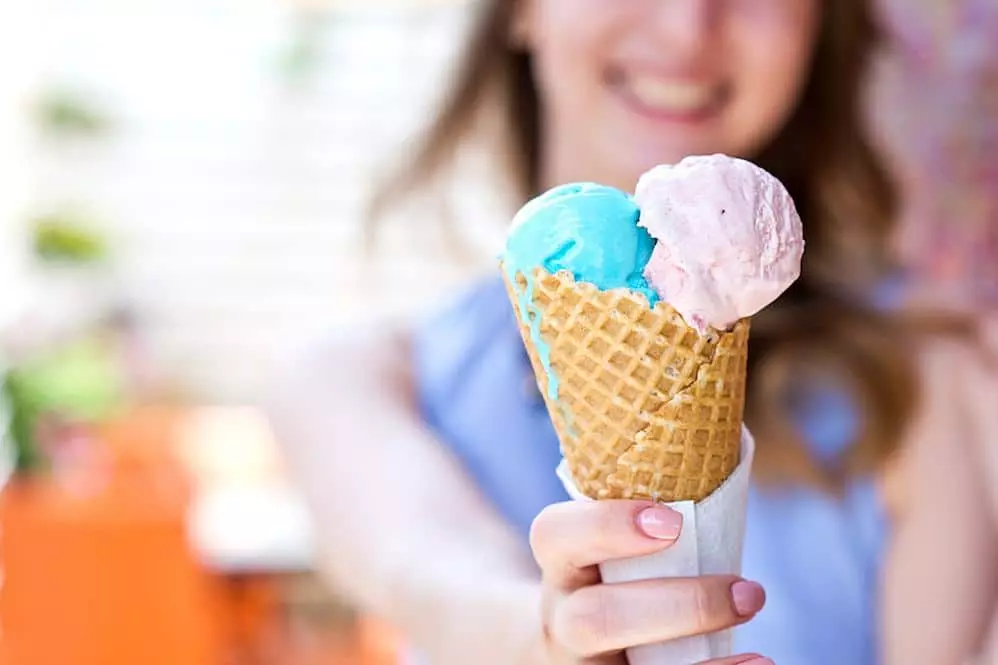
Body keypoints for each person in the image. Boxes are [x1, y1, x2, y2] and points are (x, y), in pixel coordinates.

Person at [268, 1, 997, 664]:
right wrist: (549, 632)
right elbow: (433, 573)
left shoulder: (929, 380)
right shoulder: (359, 375)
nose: (688, 26)